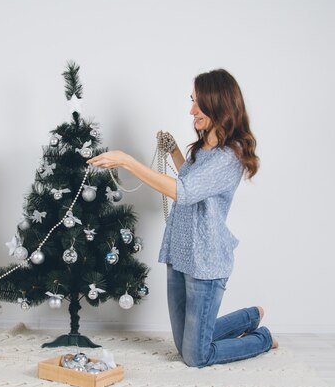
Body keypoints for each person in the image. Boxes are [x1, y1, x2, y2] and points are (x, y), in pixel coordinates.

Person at [87, 69, 277, 367]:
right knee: (184, 345)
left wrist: (127, 161)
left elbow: (184, 191)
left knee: (195, 356)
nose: (191, 110)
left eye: (198, 104)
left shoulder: (230, 156)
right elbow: (191, 179)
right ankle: (250, 316)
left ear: (218, 104)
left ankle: (262, 337)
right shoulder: (204, 149)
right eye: (192, 102)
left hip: (206, 261)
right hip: (180, 253)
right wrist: (174, 150)